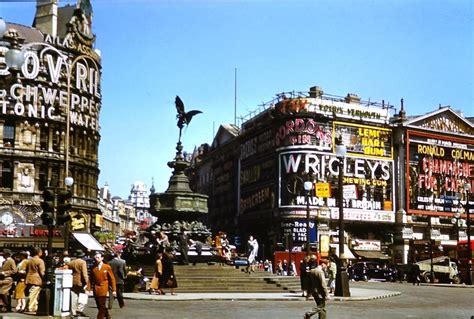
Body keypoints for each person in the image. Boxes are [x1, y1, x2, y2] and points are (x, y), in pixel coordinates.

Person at [87, 252, 116, 319]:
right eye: (96, 258)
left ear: (102, 258)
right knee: (99, 305)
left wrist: (114, 290)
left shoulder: (107, 267)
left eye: (98, 257)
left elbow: (112, 279)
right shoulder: (93, 267)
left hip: (103, 288)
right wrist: (88, 289)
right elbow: (90, 279)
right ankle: (108, 316)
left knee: (102, 304)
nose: (96, 259)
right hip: (96, 288)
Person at [68, 249, 89, 317]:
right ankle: (79, 309)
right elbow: (84, 273)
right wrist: (87, 282)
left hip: (73, 281)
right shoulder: (82, 262)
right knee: (83, 295)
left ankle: (73, 311)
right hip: (81, 281)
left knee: (74, 296)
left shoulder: (71, 262)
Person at [25, 247, 45, 314]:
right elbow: (42, 272)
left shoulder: (29, 260)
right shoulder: (40, 261)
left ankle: (34, 307)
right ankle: (29, 307)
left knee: (33, 293)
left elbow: (26, 270)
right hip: (37, 279)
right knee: (33, 294)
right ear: (39, 253)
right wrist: (44, 279)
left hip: (29, 278)